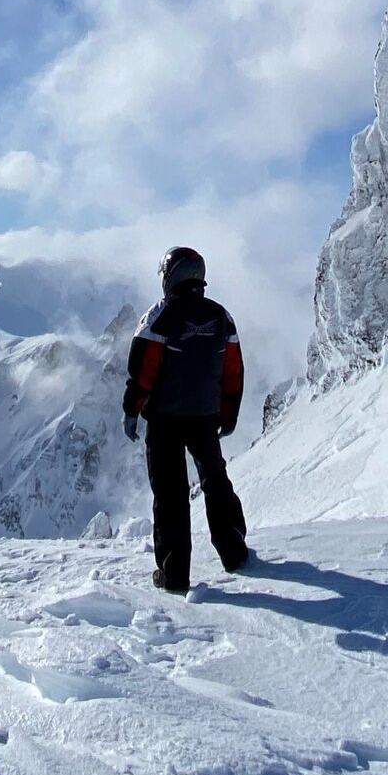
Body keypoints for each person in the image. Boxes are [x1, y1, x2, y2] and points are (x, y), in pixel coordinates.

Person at [122, 246, 254, 593]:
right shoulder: (220, 316)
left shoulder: (160, 316)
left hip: (164, 420)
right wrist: (229, 412)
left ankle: (174, 574)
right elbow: (233, 369)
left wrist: (131, 409)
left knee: (170, 496)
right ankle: (234, 553)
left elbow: (142, 371)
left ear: (170, 277)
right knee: (215, 482)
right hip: (205, 417)